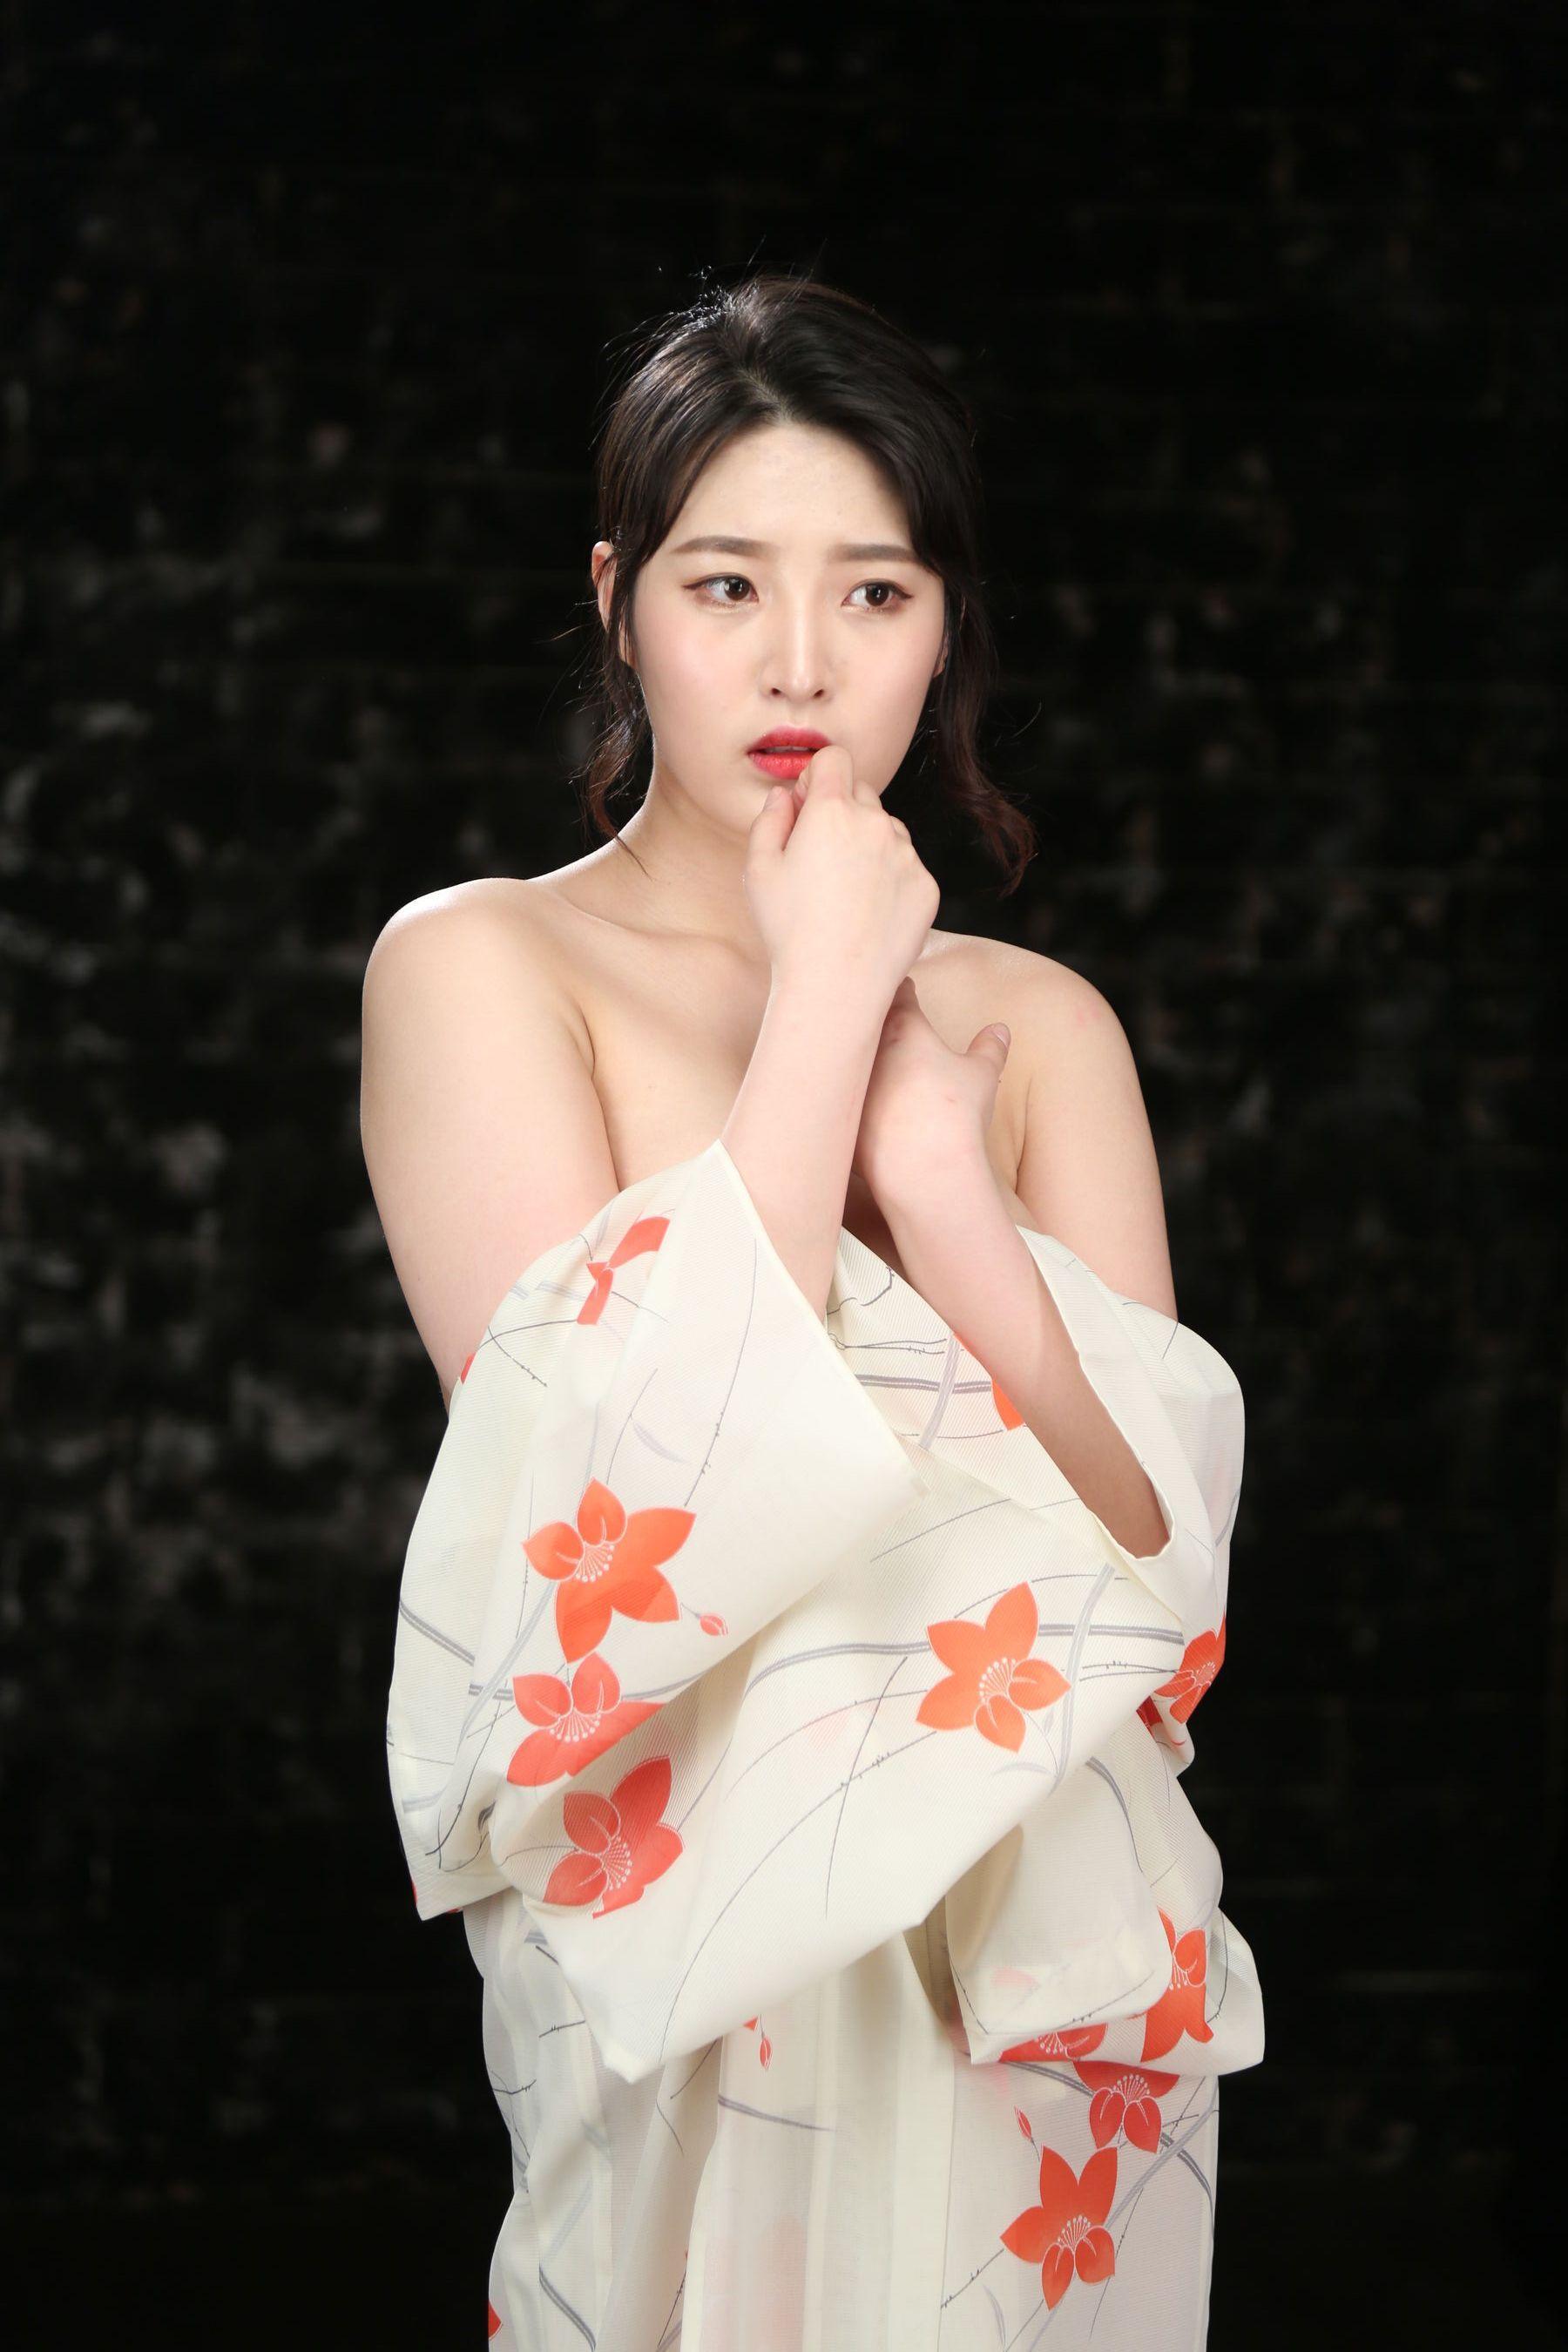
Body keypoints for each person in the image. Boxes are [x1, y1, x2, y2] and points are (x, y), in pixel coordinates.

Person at [359, 272, 1264, 2349]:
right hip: (693, 1972)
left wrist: (943, 1191)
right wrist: (832, 995)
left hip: (1039, 1989)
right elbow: (601, 1497)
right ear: (619, 603)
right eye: (726, 584)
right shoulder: (485, 968)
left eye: (873, 592)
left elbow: (1161, 1586)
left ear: (944, 628)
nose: (799, 661)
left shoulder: (1037, 1027)